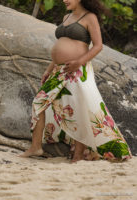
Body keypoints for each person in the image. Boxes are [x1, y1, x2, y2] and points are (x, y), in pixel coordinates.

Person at [20, 0, 132, 162]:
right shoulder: (67, 16)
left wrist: (79, 62)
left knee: (78, 110)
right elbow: (61, 44)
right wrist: (49, 69)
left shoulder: (90, 17)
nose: (64, 0)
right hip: (60, 70)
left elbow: (98, 46)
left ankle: (78, 155)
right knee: (39, 103)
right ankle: (35, 147)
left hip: (78, 71)